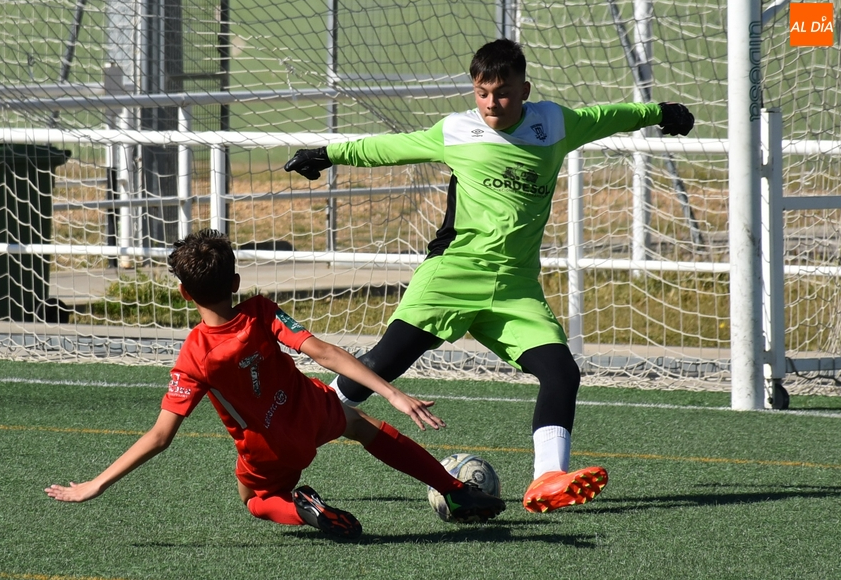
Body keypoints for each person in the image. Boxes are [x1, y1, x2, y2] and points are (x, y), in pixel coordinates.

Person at [284, 38, 694, 514]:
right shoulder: (457, 130)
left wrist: (658, 112)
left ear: (525, 90)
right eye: (481, 93)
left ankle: (547, 479)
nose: (491, 103)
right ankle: (300, 425)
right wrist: (327, 152)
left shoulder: (553, 123)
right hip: (453, 274)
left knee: (561, 373)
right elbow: (390, 148)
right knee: (381, 364)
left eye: (502, 93)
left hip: (515, 286)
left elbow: (606, 116)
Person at [45, 229, 505, 539]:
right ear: (236, 282)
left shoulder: (194, 356)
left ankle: (304, 510)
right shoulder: (261, 311)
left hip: (270, 446)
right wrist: (392, 392)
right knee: (360, 425)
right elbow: (322, 351)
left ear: (184, 293)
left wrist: (96, 484)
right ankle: (454, 488)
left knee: (254, 500)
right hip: (309, 408)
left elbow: (160, 437)